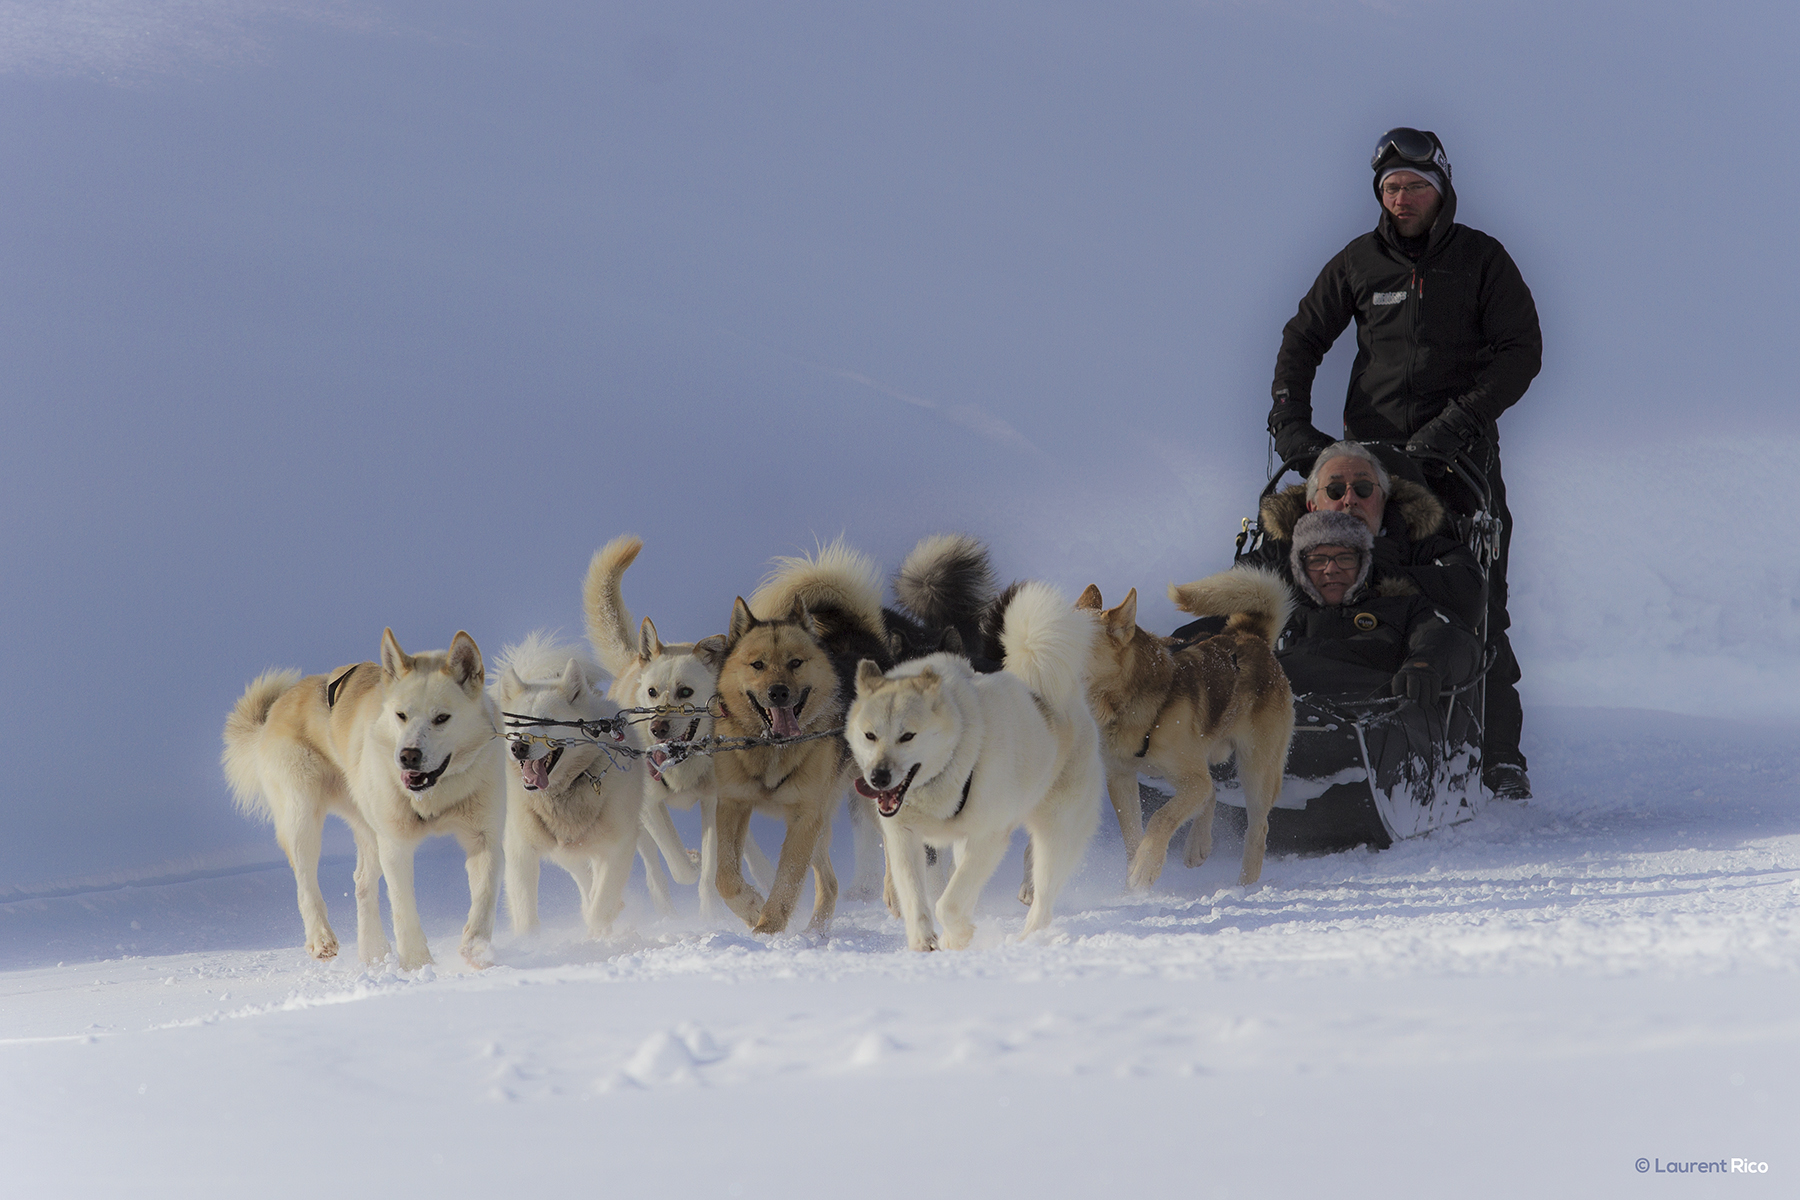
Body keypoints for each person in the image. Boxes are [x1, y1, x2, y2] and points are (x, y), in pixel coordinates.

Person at [1264, 127, 1540, 800]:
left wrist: (1454, 426)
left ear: (1440, 189)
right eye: (1390, 188)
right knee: (1331, 580)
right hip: (1368, 465)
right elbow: (1302, 339)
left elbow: (1520, 353)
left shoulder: (1481, 260)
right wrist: (1291, 425)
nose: (1402, 199)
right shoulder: (1359, 262)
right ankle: (1314, 717)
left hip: (1459, 462)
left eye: (1415, 187)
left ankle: (1498, 754)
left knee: (1476, 600)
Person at [1239, 440, 1484, 630]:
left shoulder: (1422, 546)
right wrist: (1309, 568)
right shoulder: (1283, 547)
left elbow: (1470, 597)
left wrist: (1378, 569)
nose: (1350, 499)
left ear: (1383, 499)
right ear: (1312, 505)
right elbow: (1232, 595)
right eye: (1335, 490)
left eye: (1363, 489)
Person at [1275, 511, 1480, 713]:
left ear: (1363, 564)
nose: (1331, 569)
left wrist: (1426, 664)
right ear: (1301, 568)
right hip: (1285, 727)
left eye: (1344, 558)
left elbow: (1449, 636)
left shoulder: (1403, 608)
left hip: (1383, 723)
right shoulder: (1278, 616)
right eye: (1317, 560)